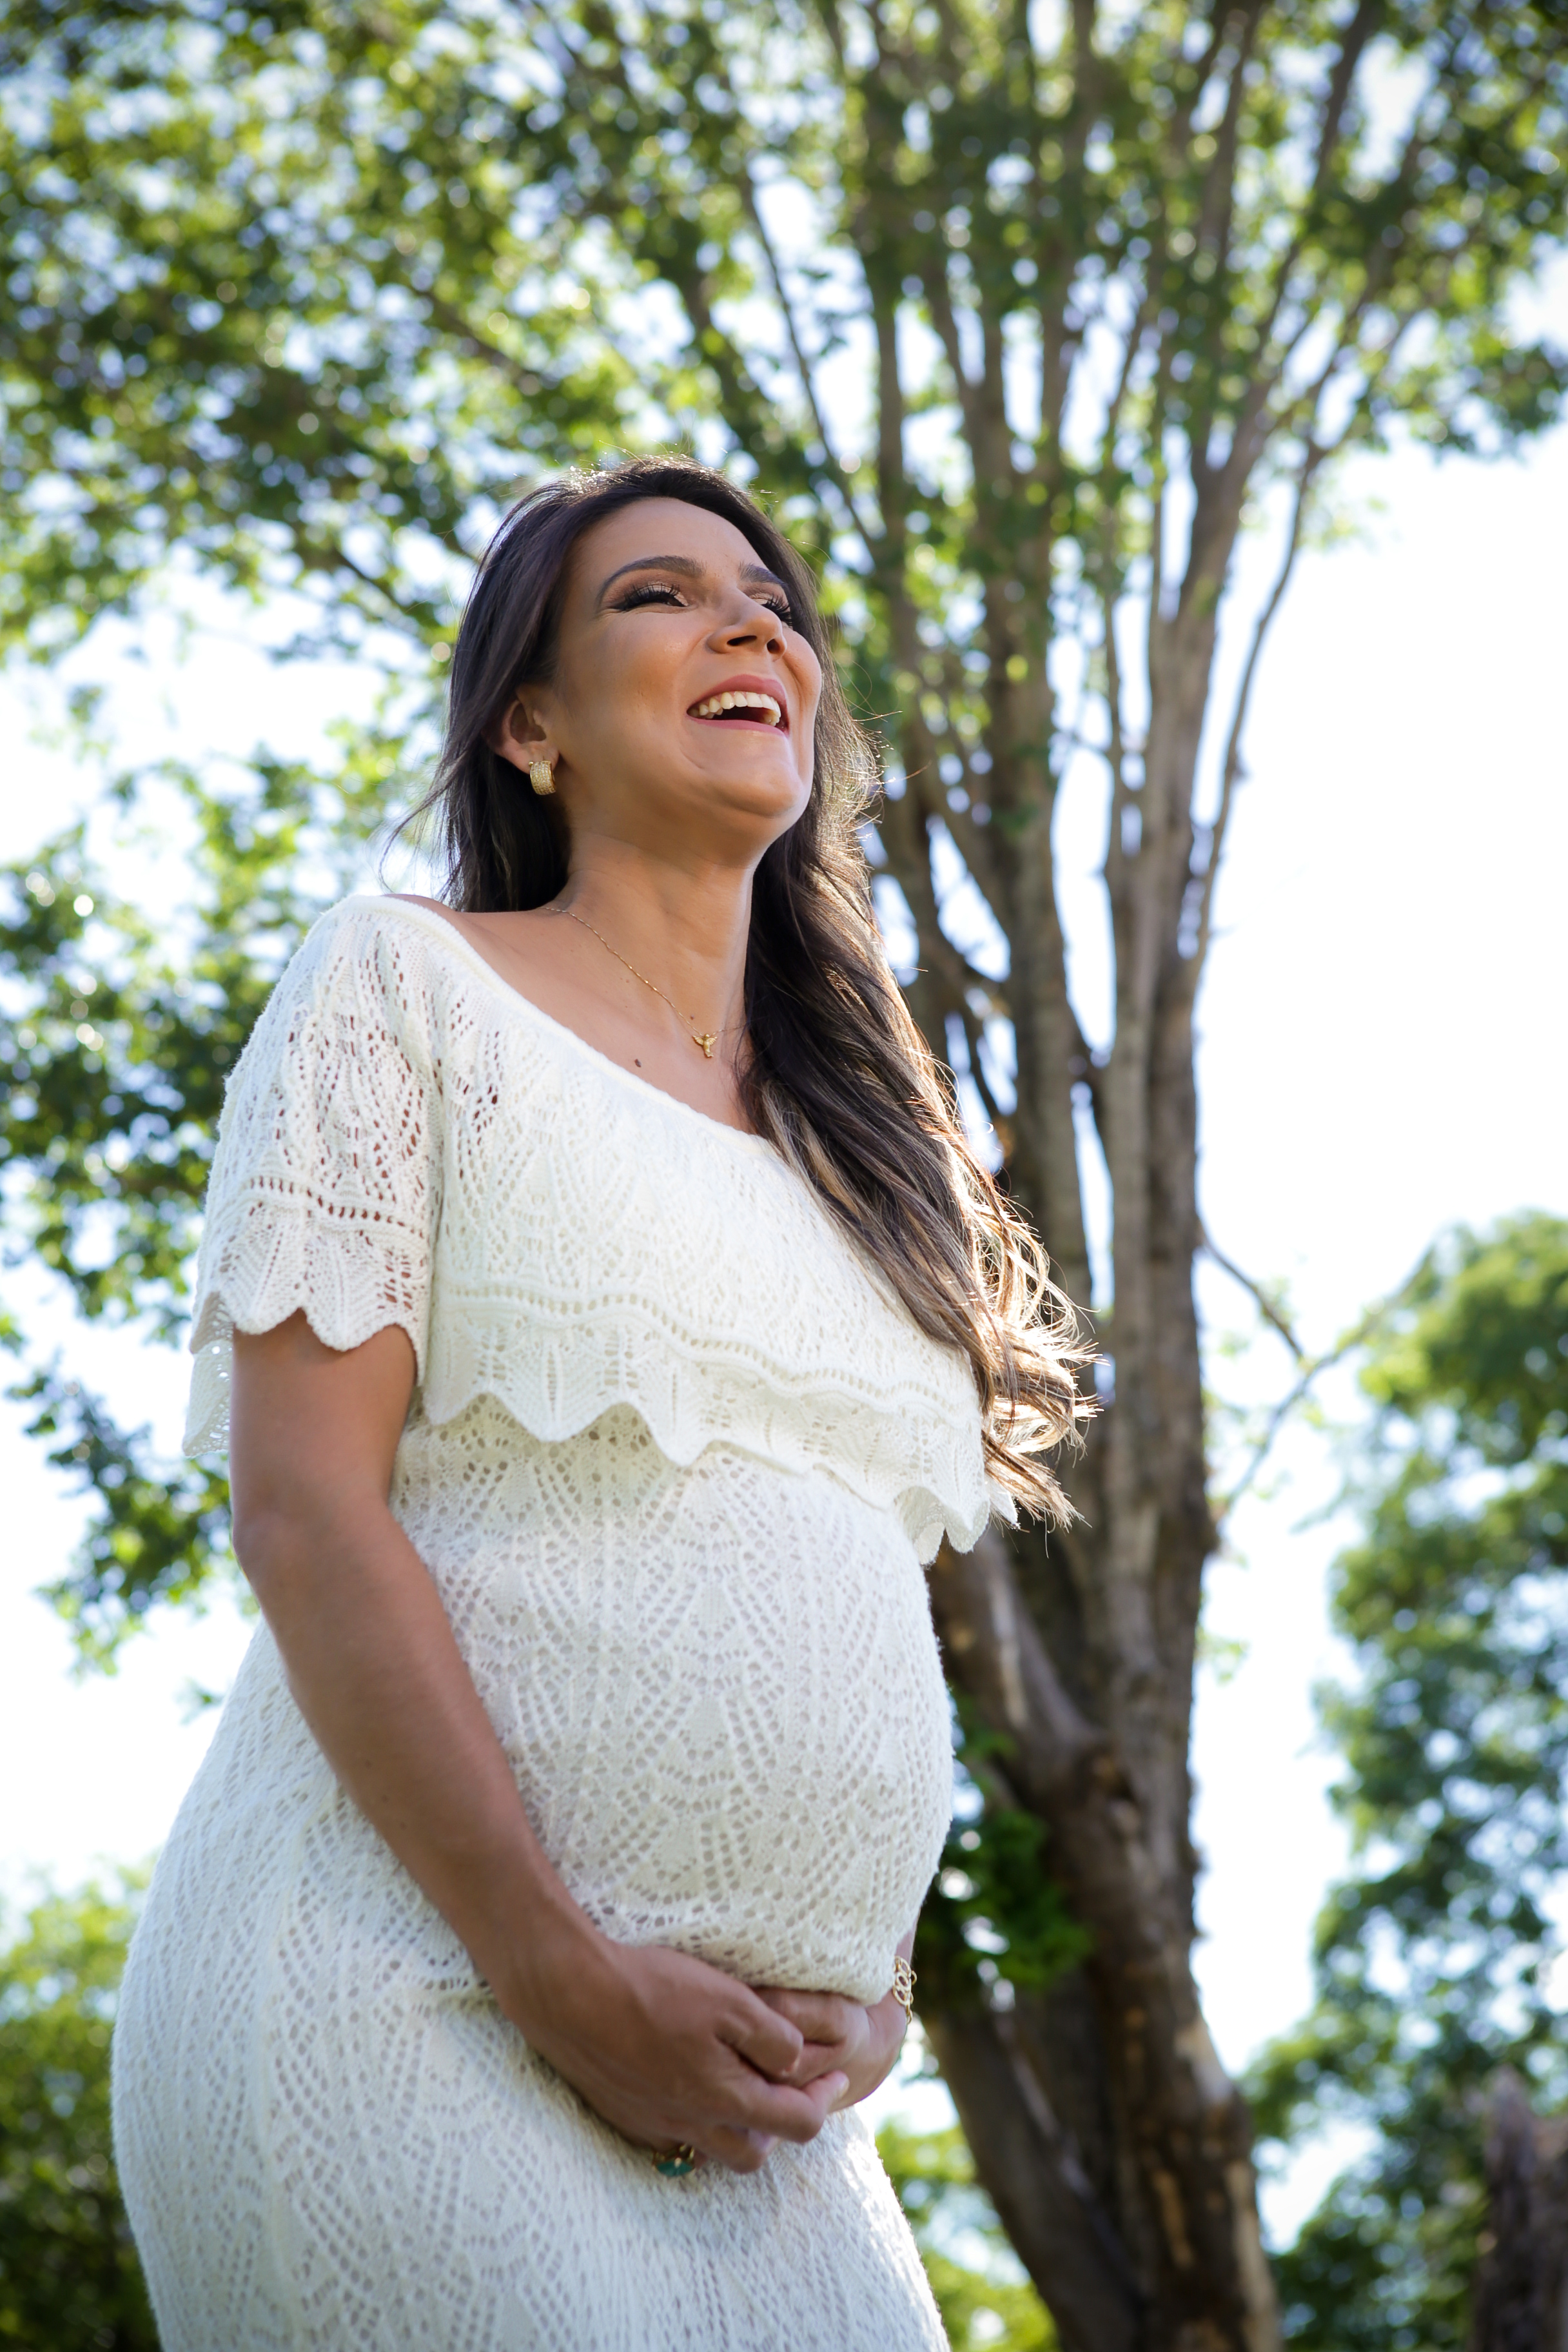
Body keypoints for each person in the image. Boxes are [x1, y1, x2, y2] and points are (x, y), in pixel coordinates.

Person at [112, 455, 1086, 2349]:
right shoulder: (403, 986)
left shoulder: (878, 1164)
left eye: (773, 601)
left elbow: (845, 1595)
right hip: (408, 1997)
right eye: (658, 595)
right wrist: (552, 1963)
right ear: (531, 725)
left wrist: (866, 1976)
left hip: (773, 2120)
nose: (751, 625)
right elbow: (306, 1508)